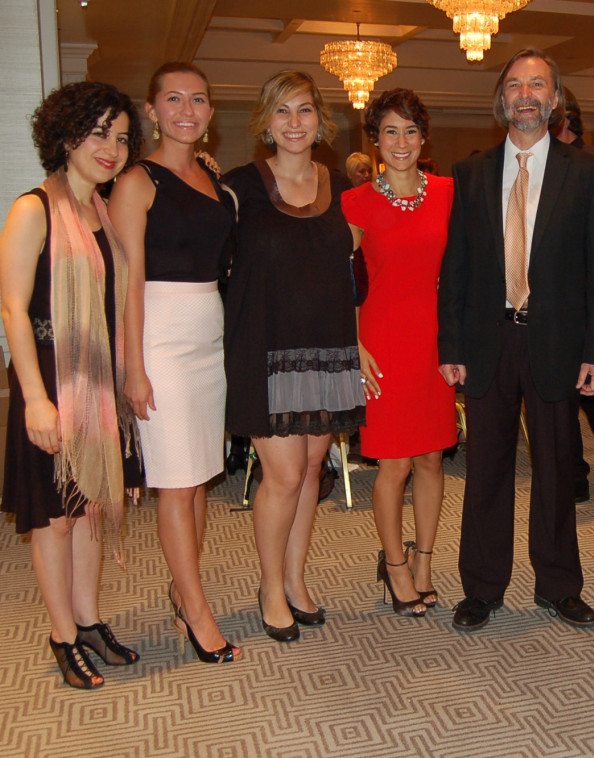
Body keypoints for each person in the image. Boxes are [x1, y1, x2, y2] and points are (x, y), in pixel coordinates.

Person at [437, 48, 594, 631]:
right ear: (501, 99)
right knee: (485, 469)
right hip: (488, 342)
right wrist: (452, 347)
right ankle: (482, 588)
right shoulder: (468, 173)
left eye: (538, 84)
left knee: (559, 467)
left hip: (557, 342)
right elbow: (456, 267)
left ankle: (559, 584)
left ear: (555, 97)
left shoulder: (588, 173)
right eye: (515, 85)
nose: (526, 94)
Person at [0, 82, 144, 688]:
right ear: (66, 137)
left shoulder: (102, 211)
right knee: (54, 519)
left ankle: (87, 620)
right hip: (51, 380)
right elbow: (10, 307)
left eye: (120, 137)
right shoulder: (34, 207)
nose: (112, 148)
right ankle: (61, 634)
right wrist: (34, 399)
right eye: (98, 134)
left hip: (96, 383)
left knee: (89, 508)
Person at [223, 71, 365, 642]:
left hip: (327, 350)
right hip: (265, 349)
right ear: (265, 120)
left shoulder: (342, 186)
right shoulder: (238, 186)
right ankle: (267, 584)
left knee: (311, 471)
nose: (294, 123)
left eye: (304, 110)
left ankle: (296, 578)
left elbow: (355, 271)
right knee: (282, 475)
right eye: (282, 111)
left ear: (319, 118)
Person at [109, 62, 240, 664]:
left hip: (208, 336)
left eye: (199, 100)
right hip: (160, 336)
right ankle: (195, 608)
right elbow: (129, 282)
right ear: (152, 109)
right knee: (176, 482)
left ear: (210, 112)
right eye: (174, 99)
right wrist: (133, 367)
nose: (187, 110)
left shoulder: (212, 179)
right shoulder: (137, 180)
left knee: (198, 479)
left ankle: (183, 588)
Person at [341, 89, 456, 617]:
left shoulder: (449, 193)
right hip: (382, 343)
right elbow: (337, 282)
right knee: (393, 466)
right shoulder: (356, 203)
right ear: (376, 139)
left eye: (410, 130)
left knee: (432, 458)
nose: (402, 142)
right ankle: (393, 566)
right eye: (390, 131)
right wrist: (353, 343)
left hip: (436, 341)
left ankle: (426, 561)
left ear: (424, 136)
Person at [550, 85, 594, 499]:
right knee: (559, 402)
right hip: (550, 303)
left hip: (586, 300)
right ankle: (571, 471)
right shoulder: (537, 165)